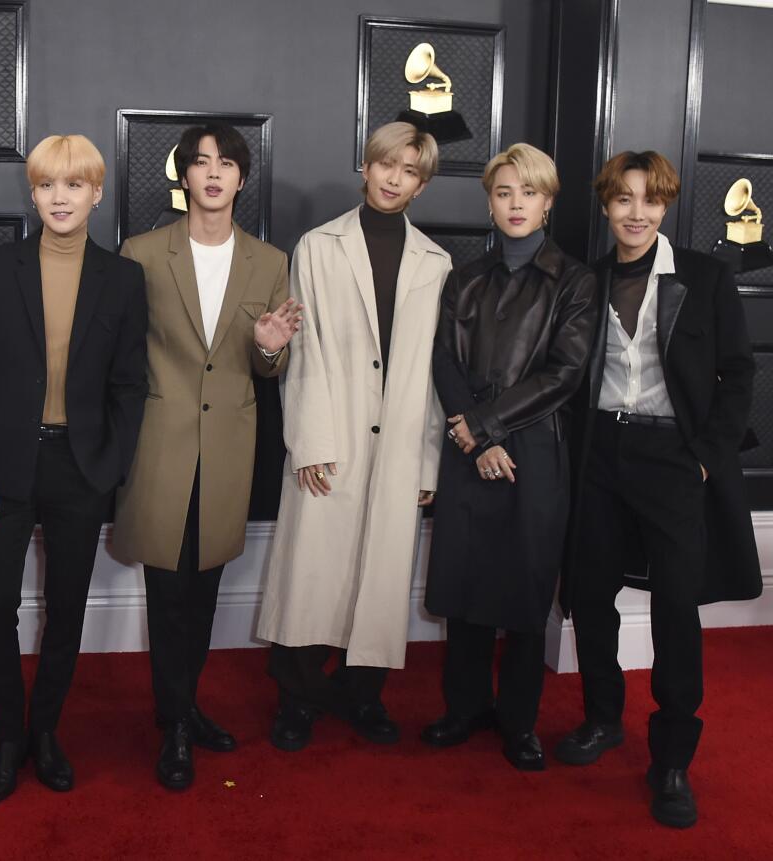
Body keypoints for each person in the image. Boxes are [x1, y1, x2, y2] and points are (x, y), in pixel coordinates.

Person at [555, 150, 762, 828]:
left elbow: (738, 373)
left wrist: (704, 457)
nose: (636, 212)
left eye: (649, 200)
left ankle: (671, 758)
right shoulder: (589, 278)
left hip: (675, 458)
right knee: (590, 595)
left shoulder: (705, 278)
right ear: (608, 206)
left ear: (665, 204)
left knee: (676, 605)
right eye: (623, 200)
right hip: (602, 455)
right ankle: (602, 719)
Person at [0, 134, 148, 805]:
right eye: (46, 185)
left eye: (73, 184)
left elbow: (130, 384)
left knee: (65, 608)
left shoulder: (123, 278)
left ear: (97, 193)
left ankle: (46, 731)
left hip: (81, 466)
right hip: (4, 467)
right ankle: (9, 737)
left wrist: (111, 464)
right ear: (32, 193)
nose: (59, 197)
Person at [114, 123, 300, 790]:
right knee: (166, 594)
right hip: (159, 447)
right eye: (200, 163)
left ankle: (183, 709)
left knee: (204, 595)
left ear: (242, 179)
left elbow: (266, 366)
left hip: (228, 452)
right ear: (184, 177)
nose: (214, 173)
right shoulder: (140, 251)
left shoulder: (270, 260)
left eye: (226, 163)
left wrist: (271, 346)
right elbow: (121, 352)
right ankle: (178, 727)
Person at [255, 122, 451, 751]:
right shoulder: (317, 246)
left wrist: (426, 462)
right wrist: (309, 442)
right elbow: (303, 351)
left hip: (397, 441)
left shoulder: (437, 261)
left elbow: (432, 372)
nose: (395, 178)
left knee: (381, 579)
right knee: (311, 576)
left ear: (422, 183)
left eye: (410, 171)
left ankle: (363, 697)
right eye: (386, 164)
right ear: (365, 167)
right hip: (330, 433)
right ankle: (297, 700)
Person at [424, 143, 597, 771]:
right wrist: (476, 436)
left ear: (548, 202)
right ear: (490, 202)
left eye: (528, 192)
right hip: (470, 445)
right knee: (466, 585)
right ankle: (463, 707)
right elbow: (443, 361)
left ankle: (519, 722)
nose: (516, 203)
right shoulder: (464, 278)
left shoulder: (576, 281)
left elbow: (565, 372)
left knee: (525, 591)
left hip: (534, 451)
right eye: (504, 192)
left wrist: (491, 428)